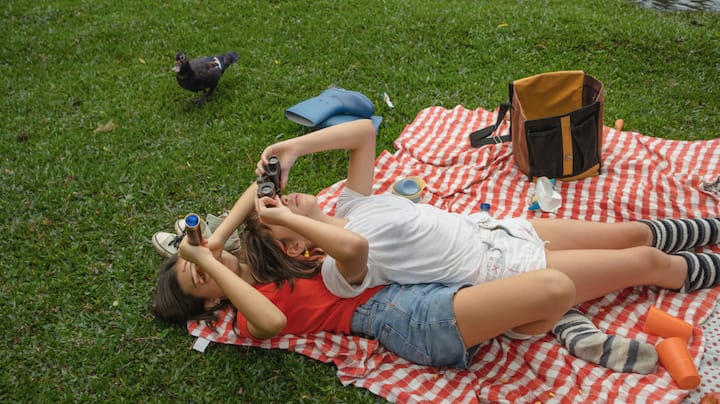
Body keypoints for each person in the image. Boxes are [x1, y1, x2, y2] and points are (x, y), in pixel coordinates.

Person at [153, 119, 720, 372]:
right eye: (197, 281)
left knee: (635, 235)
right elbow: (275, 316)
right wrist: (205, 260)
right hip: (488, 267)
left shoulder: (338, 211)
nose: (282, 202)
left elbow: (355, 136)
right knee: (641, 262)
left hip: (491, 233)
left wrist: (288, 153)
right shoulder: (308, 277)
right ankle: (554, 318)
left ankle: (562, 314)